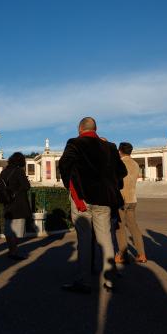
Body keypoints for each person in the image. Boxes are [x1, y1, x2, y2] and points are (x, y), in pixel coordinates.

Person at [59, 117, 127, 294]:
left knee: (84, 240)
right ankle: (110, 280)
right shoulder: (110, 147)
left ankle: (84, 280)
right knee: (105, 240)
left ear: (80, 129)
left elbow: (65, 167)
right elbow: (122, 171)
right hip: (104, 200)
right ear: (95, 129)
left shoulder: (75, 143)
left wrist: (72, 188)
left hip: (82, 198)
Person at [114, 142, 147, 264]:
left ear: (120, 151)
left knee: (120, 228)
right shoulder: (135, 164)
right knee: (134, 227)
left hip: (122, 199)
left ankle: (122, 255)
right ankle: (141, 254)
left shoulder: (119, 163)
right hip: (132, 199)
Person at [0, 152, 32, 260]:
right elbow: (27, 186)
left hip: (7, 203)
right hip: (18, 204)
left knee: (9, 229)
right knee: (16, 231)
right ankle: (14, 252)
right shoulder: (19, 171)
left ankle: (11, 250)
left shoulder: (4, 172)